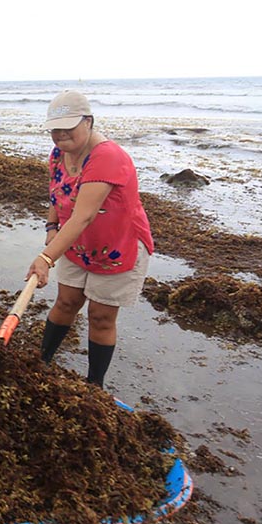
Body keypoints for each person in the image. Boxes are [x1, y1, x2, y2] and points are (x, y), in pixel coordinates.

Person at [25, 90, 154, 389]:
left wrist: (46, 258)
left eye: (68, 126)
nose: (59, 135)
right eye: (54, 129)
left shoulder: (107, 157)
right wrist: (51, 227)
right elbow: (58, 195)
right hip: (75, 244)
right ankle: (40, 363)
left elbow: (83, 215)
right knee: (66, 301)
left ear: (89, 122)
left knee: (100, 317)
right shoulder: (59, 154)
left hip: (116, 246)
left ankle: (94, 386)